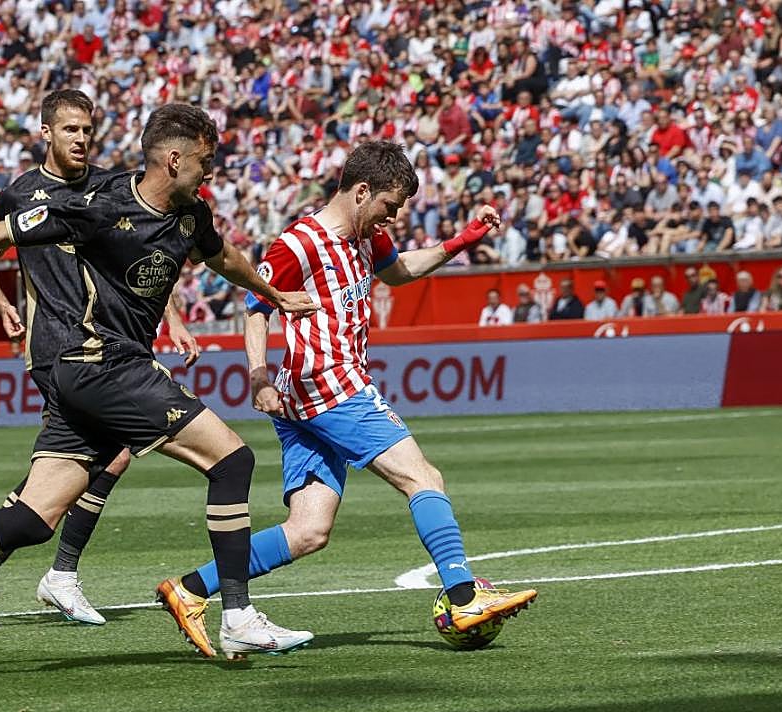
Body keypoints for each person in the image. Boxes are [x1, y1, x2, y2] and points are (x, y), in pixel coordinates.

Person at [0, 103, 319, 660]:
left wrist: (275, 295)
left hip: (92, 374)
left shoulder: (192, 214)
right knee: (232, 460)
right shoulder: (98, 207)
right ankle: (237, 614)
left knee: (30, 519)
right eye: (204, 161)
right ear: (173, 158)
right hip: (102, 363)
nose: (211, 171)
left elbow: (224, 258)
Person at [154, 140, 537, 658]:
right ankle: (465, 595)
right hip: (328, 384)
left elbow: (399, 270)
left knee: (309, 530)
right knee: (422, 477)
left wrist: (463, 240)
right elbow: (255, 306)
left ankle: (191, 588)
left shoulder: (366, 237)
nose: (393, 217)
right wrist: (258, 376)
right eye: (389, 205)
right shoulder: (300, 245)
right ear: (361, 191)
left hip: (304, 396)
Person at [0, 90, 202, 629]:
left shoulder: (111, 186)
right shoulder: (20, 194)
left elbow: (143, 260)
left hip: (105, 345)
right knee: (106, 456)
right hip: (57, 348)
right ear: (46, 133)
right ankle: (51, 573)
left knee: (82, 463)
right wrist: (1, 308)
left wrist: (172, 316)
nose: (82, 139)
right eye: (71, 130)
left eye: (88, 129)